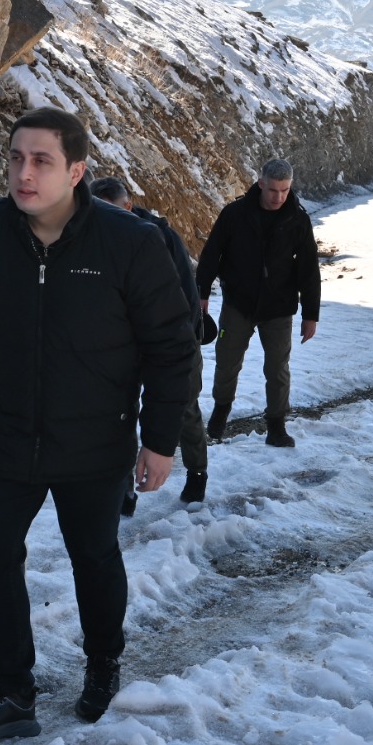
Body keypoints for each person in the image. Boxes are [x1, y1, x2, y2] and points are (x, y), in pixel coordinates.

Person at [0, 109, 197, 743]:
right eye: (16, 158)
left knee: (94, 556)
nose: (23, 173)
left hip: (94, 438)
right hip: (0, 433)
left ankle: (103, 664)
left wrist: (160, 440)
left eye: (41, 160)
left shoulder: (129, 242)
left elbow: (171, 347)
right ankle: (10, 692)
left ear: (76, 171)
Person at [93, 176, 210, 507]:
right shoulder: (91, 240)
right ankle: (124, 488)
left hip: (172, 341)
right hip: (122, 345)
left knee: (184, 408)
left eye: (113, 211)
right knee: (120, 413)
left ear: (128, 206)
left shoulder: (160, 238)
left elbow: (186, 294)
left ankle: (197, 473)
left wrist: (186, 342)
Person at [197, 158, 321, 447]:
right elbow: (212, 253)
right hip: (237, 303)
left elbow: (308, 269)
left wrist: (310, 314)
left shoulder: (297, 219)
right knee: (227, 362)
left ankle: (277, 425)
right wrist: (201, 294)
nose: (279, 197)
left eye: (285, 190)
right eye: (274, 190)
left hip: (279, 307)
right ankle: (220, 414)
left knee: (277, 368)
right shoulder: (235, 213)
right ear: (261, 183)